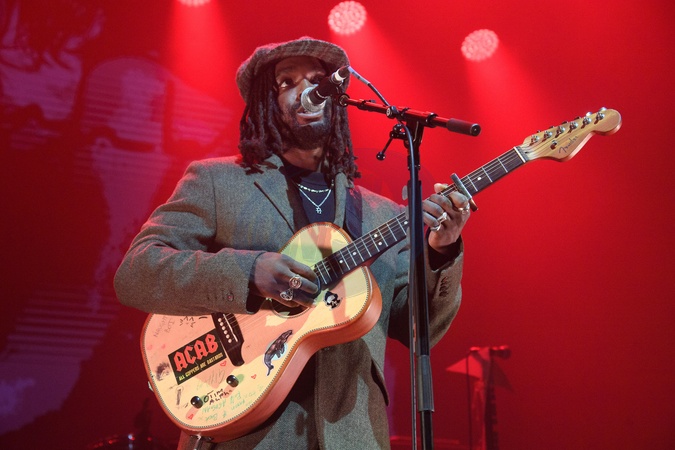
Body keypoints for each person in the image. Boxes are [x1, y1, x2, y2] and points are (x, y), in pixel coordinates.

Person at [114, 36, 471, 450]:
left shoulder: (381, 213)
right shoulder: (216, 181)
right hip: (244, 430)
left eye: (318, 80)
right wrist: (250, 272)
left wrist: (441, 250)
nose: (307, 90)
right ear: (265, 102)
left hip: (354, 434)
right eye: (287, 82)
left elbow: (422, 329)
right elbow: (136, 272)